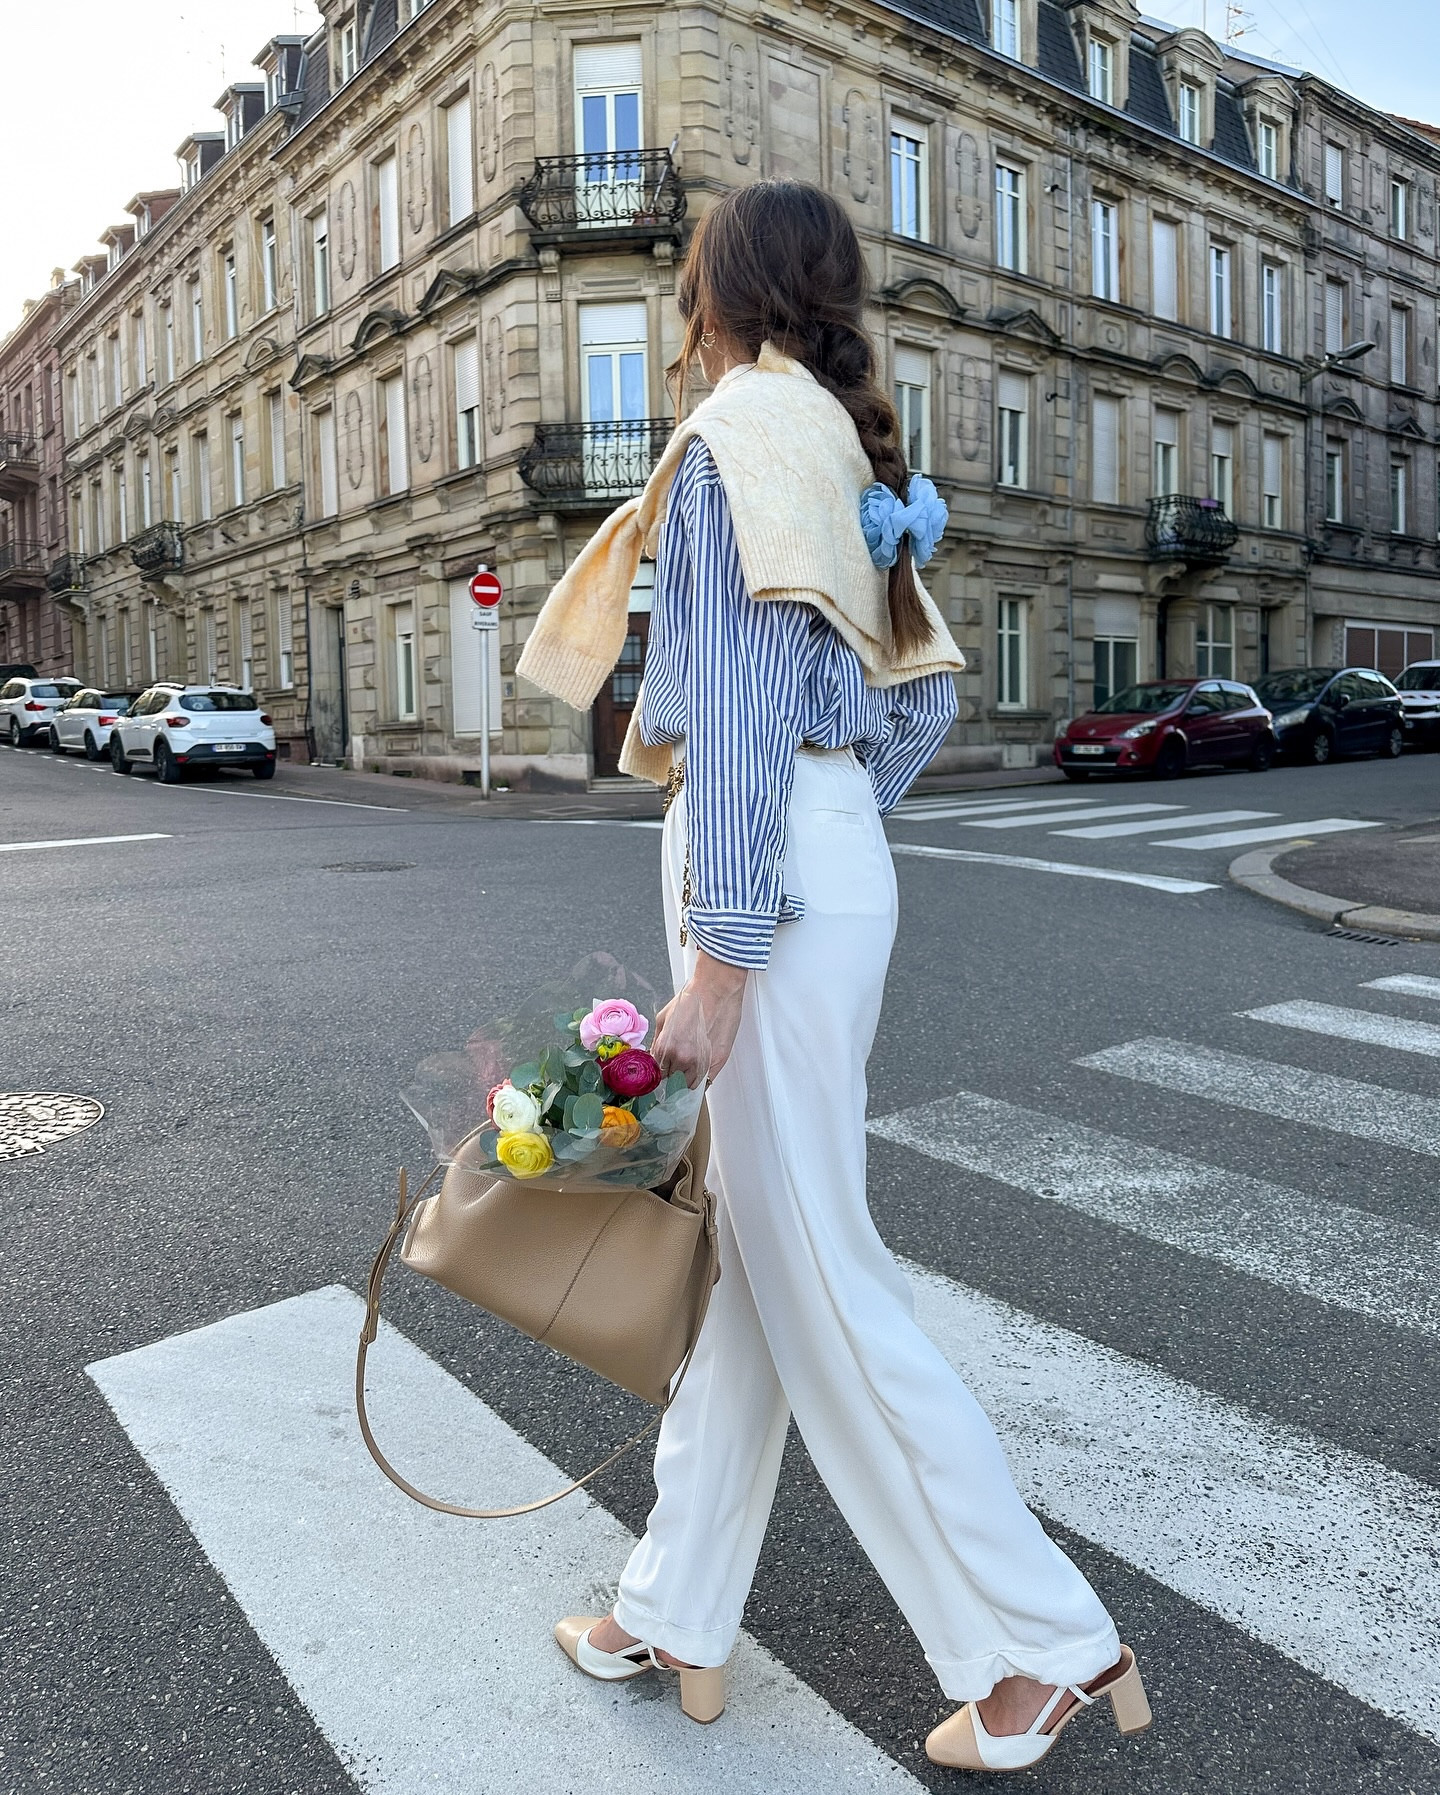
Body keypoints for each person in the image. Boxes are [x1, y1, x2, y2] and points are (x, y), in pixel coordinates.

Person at [523, 181, 1149, 1774]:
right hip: (826, 860)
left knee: (823, 1274)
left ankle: (1039, 1648)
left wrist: (726, 951)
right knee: (754, 1268)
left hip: (763, 887)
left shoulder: (737, 437)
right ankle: (675, 1612)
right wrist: (830, 810)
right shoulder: (841, 450)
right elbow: (921, 698)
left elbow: (729, 715)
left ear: (714, 296)